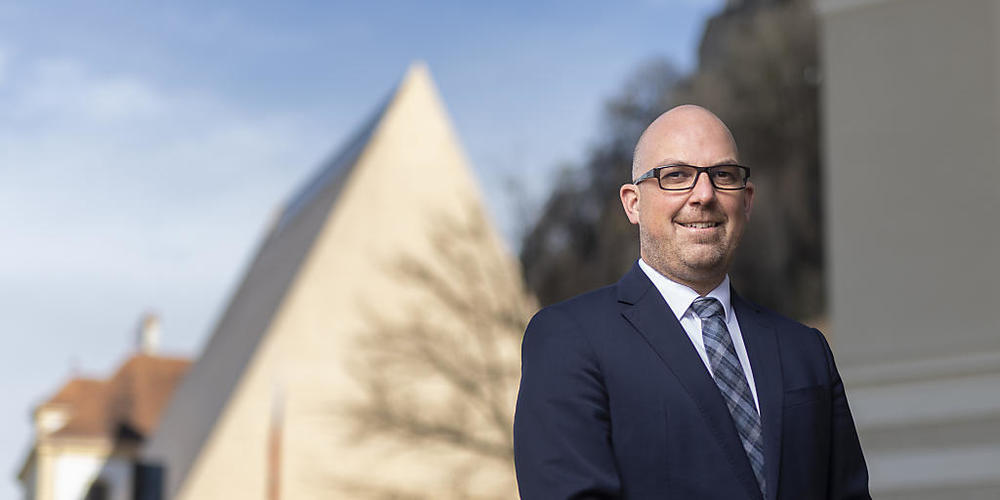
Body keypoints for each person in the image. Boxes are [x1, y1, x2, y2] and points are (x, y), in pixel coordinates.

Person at [513, 105, 870, 499]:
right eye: (676, 176)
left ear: (747, 201)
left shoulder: (806, 351)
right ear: (633, 203)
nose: (704, 194)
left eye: (723, 175)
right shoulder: (568, 340)